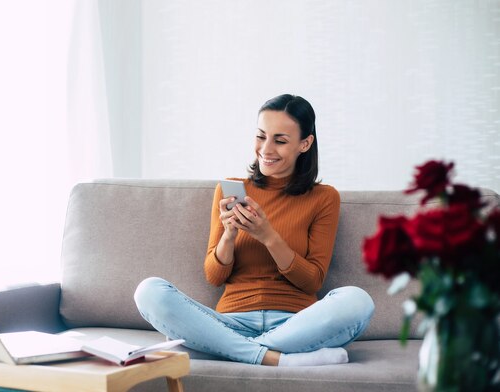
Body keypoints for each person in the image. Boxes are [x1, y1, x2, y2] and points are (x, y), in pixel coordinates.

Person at [134, 94, 375, 366]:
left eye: (280, 140)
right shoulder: (232, 191)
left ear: (305, 144)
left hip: (295, 323)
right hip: (230, 321)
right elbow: (214, 276)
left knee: (358, 301)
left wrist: (268, 236)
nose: (266, 149)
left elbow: (312, 281)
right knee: (149, 291)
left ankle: (221, 349)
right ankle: (279, 359)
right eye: (261, 136)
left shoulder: (324, 197)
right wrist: (229, 235)